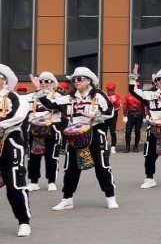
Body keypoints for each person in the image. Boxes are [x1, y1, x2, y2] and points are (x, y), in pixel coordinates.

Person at [31, 67, 117, 211]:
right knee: (71, 168)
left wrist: (96, 115)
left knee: (101, 165)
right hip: (74, 134)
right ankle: (67, 199)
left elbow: (110, 111)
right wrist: (39, 90)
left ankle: (110, 196)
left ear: (88, 80)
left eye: (79, 79)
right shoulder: (68, 98)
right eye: (74, 79)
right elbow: (50, 105)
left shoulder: (98, 95)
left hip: (95, 131)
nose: (76, 82)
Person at [0, 63, 31, 236]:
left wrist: (1, 125)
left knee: (14, 183)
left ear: (4, 80)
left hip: (9, 140)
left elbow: (18, 116)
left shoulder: (13, 97)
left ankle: (23, 221)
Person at [25, 72, 63, 191]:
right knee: (34, 156)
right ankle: (34, 181)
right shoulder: (31, 96)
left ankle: (51, 181)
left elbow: (57, 107)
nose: (43, 83)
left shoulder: (58, 96)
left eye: (46, 81)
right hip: (35, 129)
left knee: (51, 156)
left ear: (52, 83)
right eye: (41, 81)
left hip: (52, 128)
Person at [103, 82, 121, 154]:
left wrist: (112, 110)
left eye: (112, 90)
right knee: (104, 132)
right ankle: (105, 145)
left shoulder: (117, 97)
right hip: (105, 116)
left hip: (113, 116)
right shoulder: (104, 96)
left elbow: (119, 106)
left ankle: (113, 146)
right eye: (109, 90)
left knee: (113, 132)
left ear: (114, 90)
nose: (110, 92)